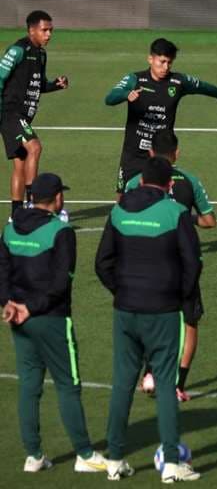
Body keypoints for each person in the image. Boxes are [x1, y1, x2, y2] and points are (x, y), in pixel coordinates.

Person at [95, 157, 202, 482]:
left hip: (125, 310)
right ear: (170, 185)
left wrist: (121, 290)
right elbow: (192, 262)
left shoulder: (119, 210)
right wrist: (178, 296)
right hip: (162, 311)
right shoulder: (176, 213)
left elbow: (102, 263)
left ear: (140, 183)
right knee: (166, 385)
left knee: (122, 384)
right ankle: (171, 464)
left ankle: (114, 460)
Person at [0, 173, 106, 474]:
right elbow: (61, 283)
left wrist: (9, 304)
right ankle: (84, 454)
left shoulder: (10, 230)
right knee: (68, 386)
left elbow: (1, 271)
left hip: (18, 320)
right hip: (52, 320)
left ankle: (33, 455)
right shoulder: (62, 232)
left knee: (29, 387)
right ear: (57, 197)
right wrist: (30, 307)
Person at [125, 130, 216, 401]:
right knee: (189, 323)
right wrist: (186, 218)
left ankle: (149, 372)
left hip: (146, 262)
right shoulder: (190, 180)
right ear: (176, 153)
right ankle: (178, 384)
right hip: (184, 263)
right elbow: (210, 221)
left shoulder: (135, 182)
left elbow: (124, 214)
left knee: (151, 317)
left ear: (150, 152)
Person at [105, 38, 217, 196]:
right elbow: (109, 98)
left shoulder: (178, 81)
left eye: (169, 63)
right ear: (150, 59)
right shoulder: (134, 79)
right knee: (123, 198)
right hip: (133, 153)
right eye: (162, 61)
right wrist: (125, 94)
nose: (165, 67)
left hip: (161, 153)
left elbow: (201, 86)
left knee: (161, 195)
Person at [0, 11, 68, 219]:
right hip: (10, 113)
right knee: (35, 147)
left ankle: (16, 213)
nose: (48, 34)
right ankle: (33, 204)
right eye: (44, 30)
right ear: (31, 30)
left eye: (51, 30)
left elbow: (38, 86)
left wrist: (55, 85)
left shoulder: (41, 54)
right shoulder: (17, 50)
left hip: (23, 117)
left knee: (20, 163)